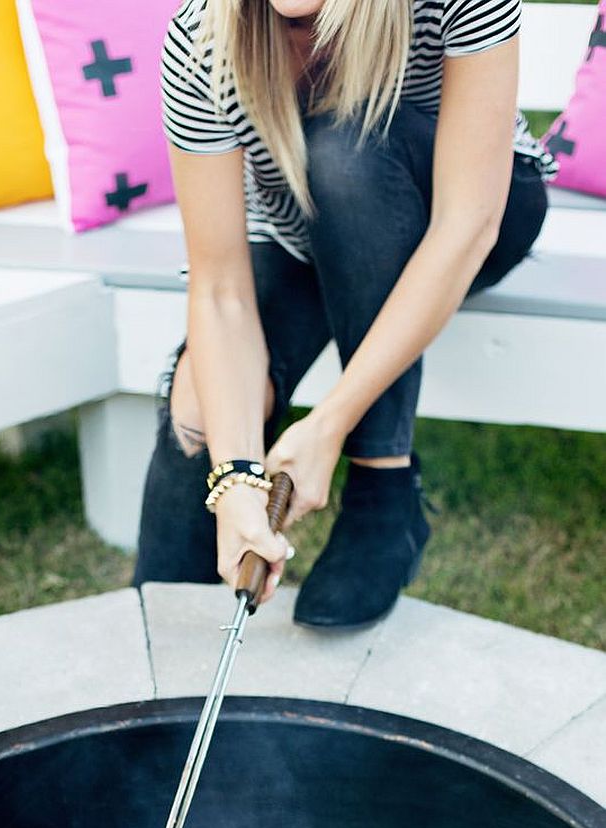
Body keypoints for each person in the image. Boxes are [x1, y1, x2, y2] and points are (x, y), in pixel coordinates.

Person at [133, 0, 553, 627]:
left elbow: (469, 225)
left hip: (469, 207)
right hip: (305, 229)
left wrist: (330, 424)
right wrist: (237, 479)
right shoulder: (202, 38)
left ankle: (384, 491)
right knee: (198, 409)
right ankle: (156, 651)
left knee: (345, 153)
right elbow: (220, 291)